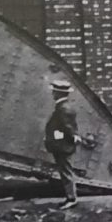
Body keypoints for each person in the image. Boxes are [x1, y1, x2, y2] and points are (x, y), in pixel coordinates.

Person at [44, 79, 81, 209]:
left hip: (62, 146)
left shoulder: (62, 109)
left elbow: (67, 127)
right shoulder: (65, 107)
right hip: (63, 145)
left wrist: (72, 136)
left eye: (54, 92)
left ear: (58, 94)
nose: (53, 94)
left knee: (66, 172)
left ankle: (71, 198)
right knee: (66, 171)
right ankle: (70, 197)